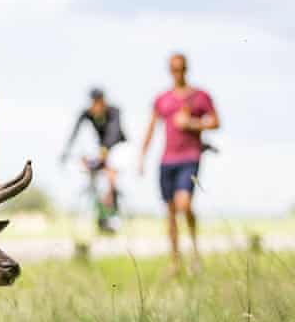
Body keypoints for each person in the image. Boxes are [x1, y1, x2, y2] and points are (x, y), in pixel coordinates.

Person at [139, 53, 219, 274]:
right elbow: (151, 127)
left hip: (189, 157)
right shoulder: (162, 99)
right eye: (174, 69)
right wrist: (142, 155)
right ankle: (175, 262)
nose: (178, 73)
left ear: (186, 69)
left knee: (184, 204)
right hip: (167, 159)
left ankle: (194, 252)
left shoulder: (200, 96)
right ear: (169, 71)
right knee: (171, 212)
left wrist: (191, 123)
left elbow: (215, 121)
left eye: (181, 68)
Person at [60, 88, 126, 232]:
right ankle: (100, 217)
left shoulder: (114, 111)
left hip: (117, 146)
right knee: (92, 179)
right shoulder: (87, 114)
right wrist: (66, 152)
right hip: (101, 148)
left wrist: (105, 151)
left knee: (111, 172)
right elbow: (75, 132)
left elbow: (114, 132)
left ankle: (113, 211)